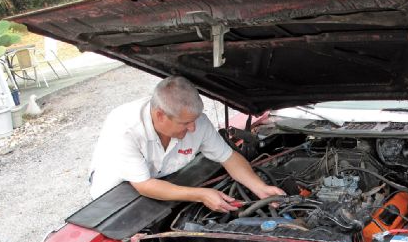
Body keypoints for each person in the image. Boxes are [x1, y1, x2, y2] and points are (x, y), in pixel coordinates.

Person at [89, 75, 285, 211]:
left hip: (161, 182)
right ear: (160, 115)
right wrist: (201, 195)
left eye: (194, 120)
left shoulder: (196, 122)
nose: (193, 128)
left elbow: (229, 157)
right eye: (185, 123)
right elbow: (144, 185)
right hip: (117, 197)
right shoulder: (124, 127)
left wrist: (259, 187)